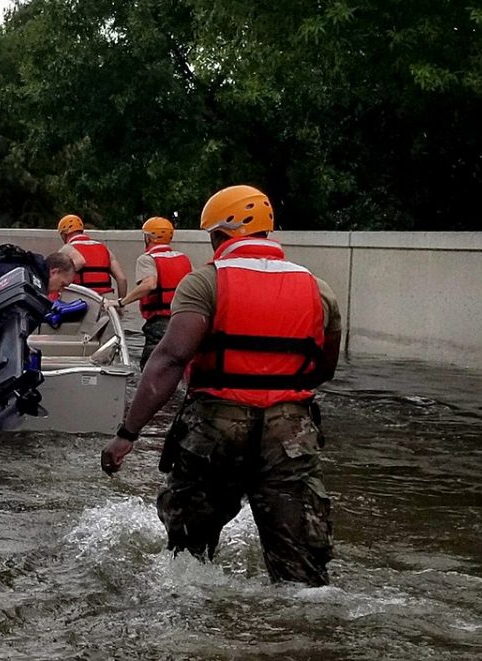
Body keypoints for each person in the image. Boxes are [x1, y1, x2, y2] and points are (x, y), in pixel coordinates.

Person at [101, 185, 342, 587]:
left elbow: (170, 360)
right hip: (291, 433)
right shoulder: (317, 289)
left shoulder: (205, 283)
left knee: (188, 560)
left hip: (216, 427)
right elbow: (323, 369)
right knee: (301, 571)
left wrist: (128, 433)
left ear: (218, 235)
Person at [109, 217, 194, 368]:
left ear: (148, 237)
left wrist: (121, 302)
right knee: (178, 363)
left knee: (151, 367)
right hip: (183, 318)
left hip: (160, 320)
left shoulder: (147, 259)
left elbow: (149, 284)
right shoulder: (183, 258)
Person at [56, 214, 127, 298]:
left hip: (82, 297)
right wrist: (120, 304)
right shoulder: (104, 248)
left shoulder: (67, 249)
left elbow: (78, 263)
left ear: (64, 234)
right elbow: (122, 279)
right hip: (106, 299)